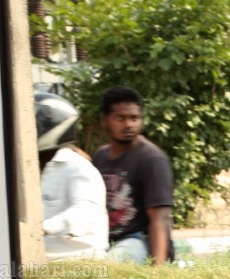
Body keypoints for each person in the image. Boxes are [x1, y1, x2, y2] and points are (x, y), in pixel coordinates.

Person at [91, 86, 174, 264]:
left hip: (139, 241)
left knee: (108, 265)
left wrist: (158, 272)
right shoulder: (100, 157)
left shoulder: (151, 159)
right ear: (105, 120)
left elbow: (160, 219)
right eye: (120, 118)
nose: (129, 124)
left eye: (134, 118)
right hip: (104, 239)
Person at [36, 92, 108, 260]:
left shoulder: (77, 167)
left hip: (77, 261)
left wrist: (43, 228)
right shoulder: (31, 168)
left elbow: (85, 210)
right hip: (41, 262)